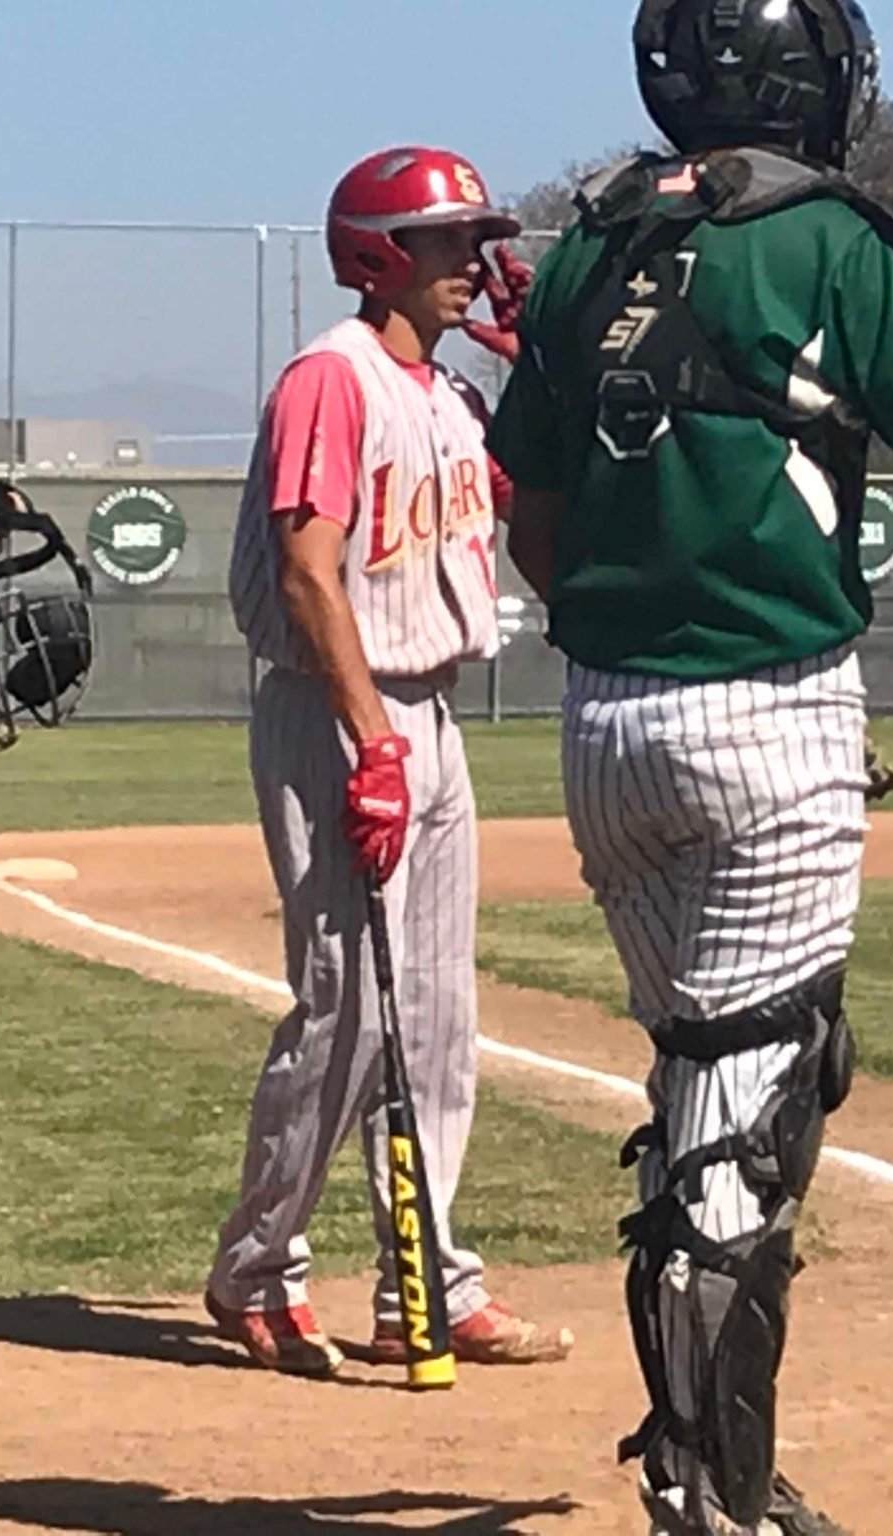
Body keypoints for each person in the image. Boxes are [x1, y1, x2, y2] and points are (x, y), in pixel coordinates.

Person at [487, 2, 893, 1530]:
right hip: (768, 715)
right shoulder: (841, 241)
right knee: (755, 1125)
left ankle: (714, 1469)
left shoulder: (588, 249)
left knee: (702, 1085)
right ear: (813, 79)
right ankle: (716, 1495)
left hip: (606, 723)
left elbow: (534, 509)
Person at [213, 145, 569, 1379]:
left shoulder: (453, 398)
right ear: (380, 254)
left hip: (433, 714)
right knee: (348, 1008)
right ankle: (258, 1267)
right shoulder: (332, 378)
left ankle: (426, 1276)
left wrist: (539, 371)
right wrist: (367, 737)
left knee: (435, 1012)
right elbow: (309, 573)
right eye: (449, 242)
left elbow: (533, 518)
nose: (475, 264)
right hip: (337, 709)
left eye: (477, 242)